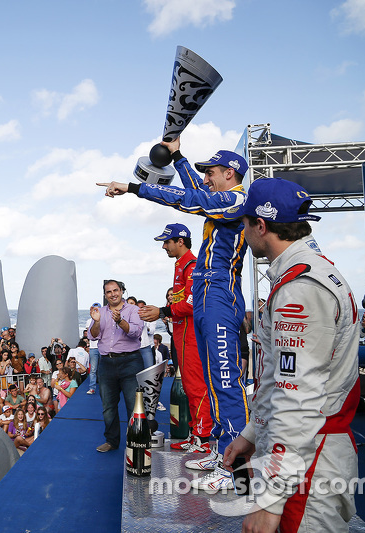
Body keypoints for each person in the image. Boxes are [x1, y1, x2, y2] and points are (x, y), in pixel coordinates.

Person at [98, 141, 250, 487]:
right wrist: (178, 157)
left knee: (225, 382)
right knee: (213, 382)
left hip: (220, 298)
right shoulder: (223, 204)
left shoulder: (237, 199)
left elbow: (191, 199)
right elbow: (197, 193)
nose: (206, 179)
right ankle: (219, 446)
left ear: (230, 174)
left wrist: (135, 187)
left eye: (210, 173)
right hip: (211, 299)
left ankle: (235, 468)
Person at [223, 178, 360, 531]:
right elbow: (280, 378)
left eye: (244, 222)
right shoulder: (306, 273)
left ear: (261, 226)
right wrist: (252, 435)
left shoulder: (300, 287)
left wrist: (270, 499)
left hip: (308, 464)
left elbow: (297, 397)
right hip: (302, 455)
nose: (242, 230)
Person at [139, 223, 212, 453]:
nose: (163, 246)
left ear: (180, 241)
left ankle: (203, 438)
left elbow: (192, 303)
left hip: (191, 335)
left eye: (167, 241)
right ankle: (195, 433)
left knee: (197, 386)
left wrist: (162, 311)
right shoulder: (181, 264)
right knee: (189, 386)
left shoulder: (192, 265)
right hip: (181, 335)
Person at [87, 280, 144, 452]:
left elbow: (135, 332)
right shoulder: (100, 312)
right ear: (105, 295)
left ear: (122, 291)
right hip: (107, 363)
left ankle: (136, 442)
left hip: (131, 362)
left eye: (115, 290)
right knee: (108, 406)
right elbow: (92, 336)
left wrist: (120, 321)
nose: (112, 294)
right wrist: (96, 322)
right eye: (108, 292)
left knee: (133, 405)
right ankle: (111, 441)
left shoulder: (133, 310)